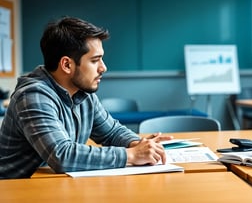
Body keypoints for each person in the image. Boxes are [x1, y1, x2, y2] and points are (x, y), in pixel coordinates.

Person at [0, 16, 172, 179]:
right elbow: (62, 156)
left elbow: (111, 131)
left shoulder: (81, 92)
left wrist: (137, 144)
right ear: (67, 64)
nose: (103, 68)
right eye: (95, 60)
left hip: (51, 185)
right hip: (14, 189)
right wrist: (132, 155)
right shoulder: (33, 96)